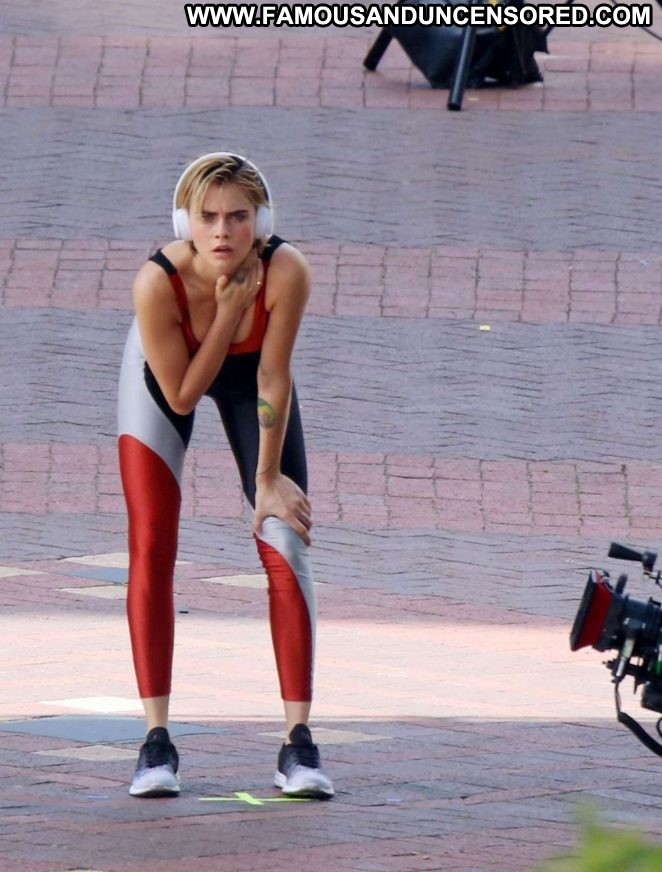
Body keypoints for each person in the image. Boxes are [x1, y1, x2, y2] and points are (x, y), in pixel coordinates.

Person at [117, 152, 334, 799]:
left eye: (238, 217)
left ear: (261, 222)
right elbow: (183, 395)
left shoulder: (286, 270)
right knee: (152, 542)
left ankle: (298, 744)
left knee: (284, 535)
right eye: (207, 217)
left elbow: (272, 375)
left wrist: (267, 480)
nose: (221, 232)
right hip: (168, 377)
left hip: (252, 380)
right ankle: (156, 742)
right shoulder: (156, 284)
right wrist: (227, 308)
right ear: (184, 221)